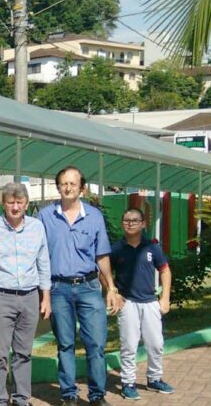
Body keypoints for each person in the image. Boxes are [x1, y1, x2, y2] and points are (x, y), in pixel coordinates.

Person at [37, 166, 122, 406]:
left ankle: (97, 395)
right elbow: (37, 254)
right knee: (65, 343)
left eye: (73, 183)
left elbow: (102, 257)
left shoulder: (94, 216)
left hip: (89, 287)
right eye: (64, 183)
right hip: (58, 289)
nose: (68, 187)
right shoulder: (45, 217)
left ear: (81, 188)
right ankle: (68, 395)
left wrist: (111, 289)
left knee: (96, 344)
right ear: (58, 187)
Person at [0, 182, 51, 406]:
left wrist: (46, 297)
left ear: (26, 204)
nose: (15, 207)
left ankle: (22, 398)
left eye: (19, 202)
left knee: (23, 352)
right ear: (3, 204)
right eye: (10, 202)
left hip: (29, 296)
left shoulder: (37, 227)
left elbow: (43, 263)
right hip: (0, 297)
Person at [110, 208, 174, 400]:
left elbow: (165, 271)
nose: (130, 223)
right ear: (123, 223)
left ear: (143, 223)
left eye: (135, 220)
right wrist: (113, 293)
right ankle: (128, 383)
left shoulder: (152, 247)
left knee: (156, 343)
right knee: (128, 345)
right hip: (127, 303)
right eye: (127, 220)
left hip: (150, 302)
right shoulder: (116, 249)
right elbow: (104, 274)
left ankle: (154, 379)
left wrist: (165, 298)